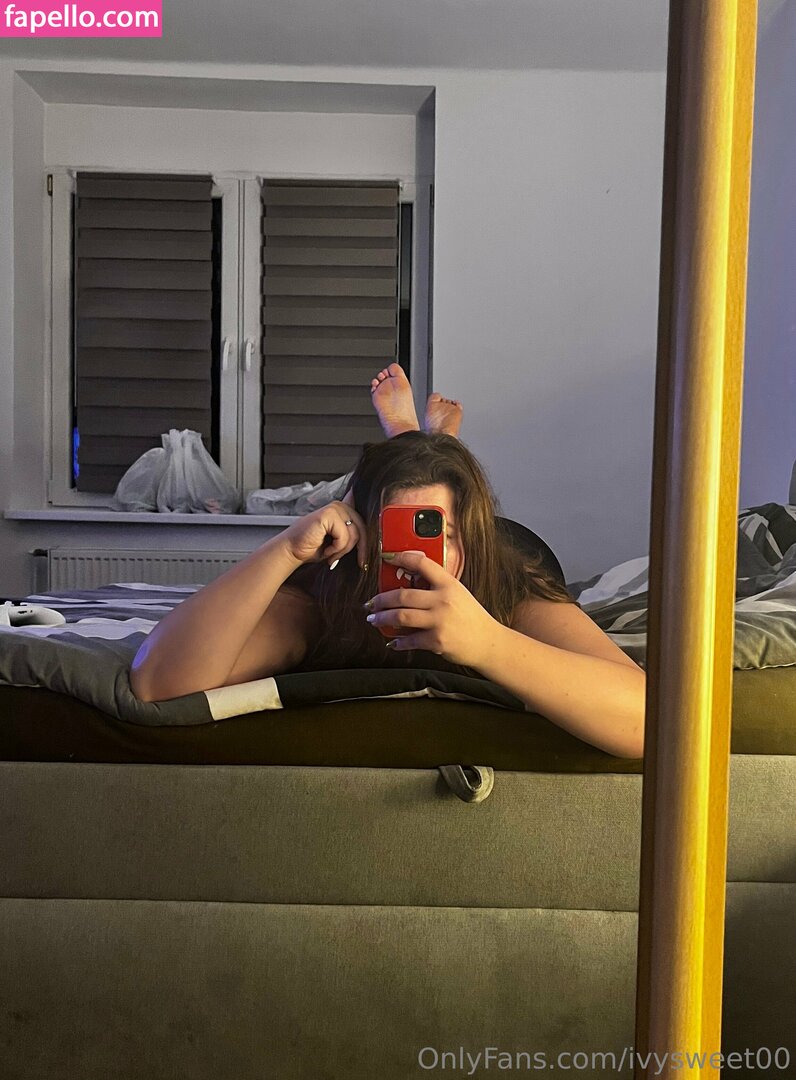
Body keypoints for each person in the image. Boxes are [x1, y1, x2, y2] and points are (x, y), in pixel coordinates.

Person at [130, 364, 645, 759]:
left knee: (439, 499)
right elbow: (158, 685)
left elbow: (646, 720)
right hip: (397, 547)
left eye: (443, 535)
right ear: (361, 537)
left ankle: (425, 447)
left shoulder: (510, 584)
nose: (416, 557)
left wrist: (488, 642)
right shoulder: (328, 597)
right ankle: (419, 451)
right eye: (389, 534)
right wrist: (285, 549)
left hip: (508, 545)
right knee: (419, 493)